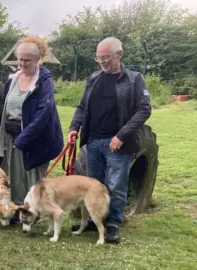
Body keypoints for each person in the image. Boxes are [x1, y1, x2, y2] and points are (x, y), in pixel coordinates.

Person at [68, 37, 152, 244]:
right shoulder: (94, 78)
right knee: (92, 187)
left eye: (106, 57)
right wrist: (73, 129)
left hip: (118, 144)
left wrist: (122, 135)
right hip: (93, 143)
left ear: (119, 54)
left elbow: (144, 109)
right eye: (99, 58)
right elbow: (81, 107)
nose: (102, 62)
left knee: (116, 186)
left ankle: (113, 224)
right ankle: (92, 222)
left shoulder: (134, 79)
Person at [0, 36, 64, 224]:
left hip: (37, 139)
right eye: (20, 59)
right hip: (13, 136)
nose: (22, 63)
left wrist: (24, 138)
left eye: (27, 60)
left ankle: (36, 212)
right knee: (17, 177)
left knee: (34, 178)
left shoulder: (44, 82)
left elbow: (44, 113)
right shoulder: (12, 79)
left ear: (38, 60)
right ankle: (20, 212)